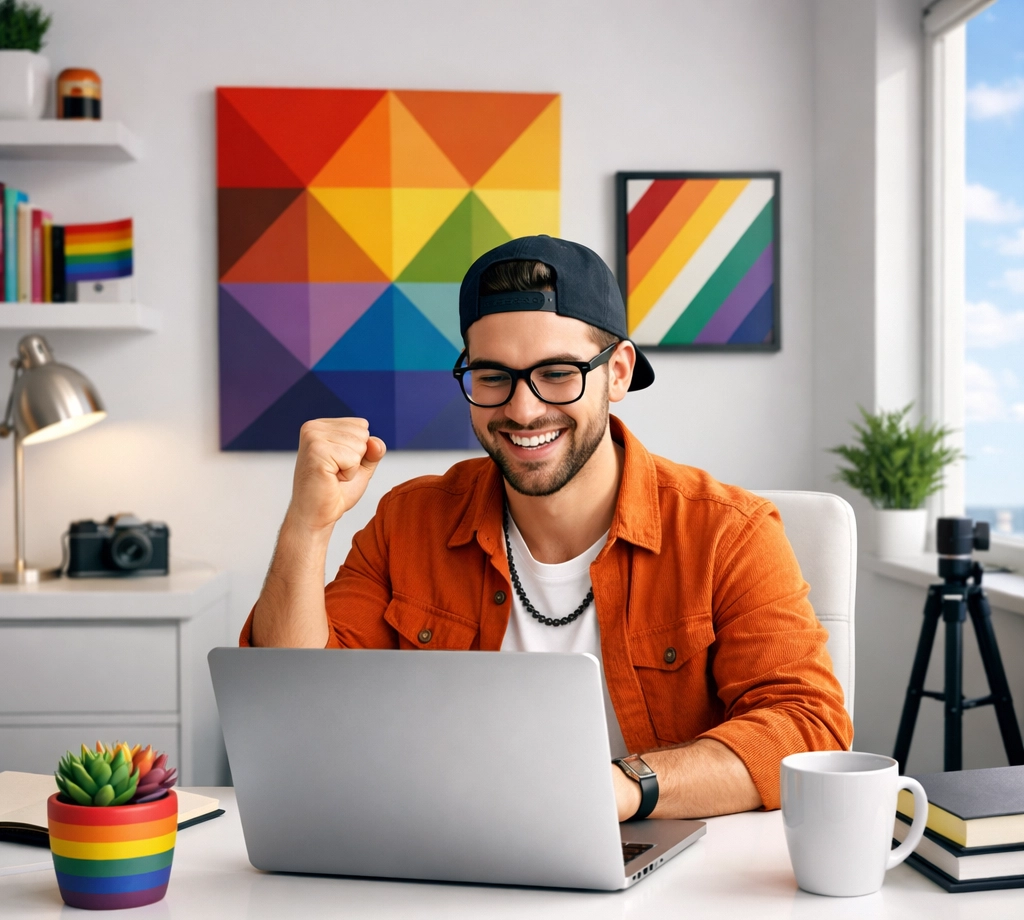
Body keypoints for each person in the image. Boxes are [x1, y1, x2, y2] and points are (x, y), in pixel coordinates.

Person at [243, 235, 852, 821]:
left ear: (617, 373)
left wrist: (618, 788)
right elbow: (296, 706)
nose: (523, 408)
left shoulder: (729, 532)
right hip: (444, 860)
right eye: (493, 377)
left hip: (661, 875)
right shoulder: (409, 522)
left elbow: (807, 727)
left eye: (558, 372)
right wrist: (306, 525)